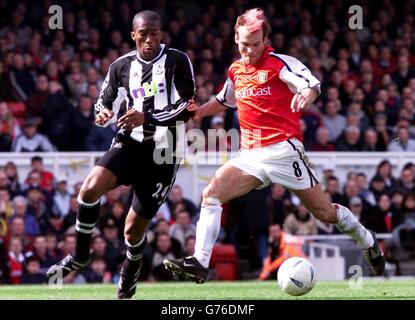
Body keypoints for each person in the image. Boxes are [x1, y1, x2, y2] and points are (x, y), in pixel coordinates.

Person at [164, 8, 385, 283]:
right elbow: (223, 101)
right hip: (250, 155)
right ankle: (200, 261)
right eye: (245, 44)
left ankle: (366, 240)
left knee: (325, 213)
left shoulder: (280, 63)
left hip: (283, 150)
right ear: (236, 38)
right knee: (211, 193)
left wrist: (305, 95)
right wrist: (198, 112)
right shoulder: (235, 71)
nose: (250, 51)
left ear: (265, 42)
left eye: (256, 45)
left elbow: (310, 85)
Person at [46, 10, 195, 299]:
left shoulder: (177, 60)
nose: (149, 40)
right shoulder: (121, 66)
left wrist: (147, 117)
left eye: (154, 33)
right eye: (143, 34)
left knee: (131, 232)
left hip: (164, 153)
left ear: (161, 34)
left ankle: (131, 268)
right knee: (89, 189)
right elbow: (104, 100)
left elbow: (186, 108)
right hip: (129, 144)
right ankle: (79, 255)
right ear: (133, 35)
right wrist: (102, 113)